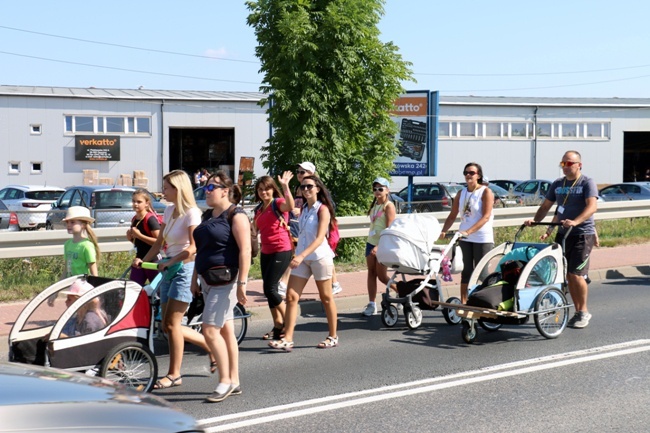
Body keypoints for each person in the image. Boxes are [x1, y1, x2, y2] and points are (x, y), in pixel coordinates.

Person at [132, 169, 215, 390]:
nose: (163, 191)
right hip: (168, 268)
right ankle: (211, 347)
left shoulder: (192, 214)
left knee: (172, 323)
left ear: (178, 189)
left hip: (184, 269)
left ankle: (174, 374)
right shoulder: (169, 211)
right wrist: (142, 259)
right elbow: (159, 244)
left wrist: (170, 261)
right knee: (169, 327)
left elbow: (193, 247)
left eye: (166, 188)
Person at [192, 170, 250, 403]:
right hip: (207, 279)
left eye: (211, 188)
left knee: (209, 330)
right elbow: (200, 250)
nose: (206, 191)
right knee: (225, 331)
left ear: (225, 191)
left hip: (226, 280)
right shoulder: (207, 216)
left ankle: (224, 380)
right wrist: (195, 277)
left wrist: (242, 284)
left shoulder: (236, 215)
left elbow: (245, 250)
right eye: (205, 188)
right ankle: (234, 380)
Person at [525, 150, 598, 329]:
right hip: (562, 233)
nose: (565, 166)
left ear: (579, 165)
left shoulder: (587, 182)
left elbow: (592, 207)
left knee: (575, 274)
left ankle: (583, 312)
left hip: (582, 234)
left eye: (569, 163)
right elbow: (547, 207)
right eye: (563, 163)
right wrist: (536, 222)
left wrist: (575, 222)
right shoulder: (558, 184)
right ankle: (577, 310)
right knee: (566, 275)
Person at [269, 175, 338, 351]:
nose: (305, 189)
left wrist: (300, 256)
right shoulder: (304, 209)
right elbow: (303, 233)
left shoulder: (322, 210)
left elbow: (320, 238)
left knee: (326, 298)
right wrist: (285, 186)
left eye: (309, 186)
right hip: (302, 257)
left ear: (318, 189)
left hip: (319, 257)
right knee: (292, 297)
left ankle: (333, 336)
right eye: (303, 187)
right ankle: (288, 338)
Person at [440, 162, 495, 304]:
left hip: (482, 238)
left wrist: (468, 231)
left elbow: (486, 217)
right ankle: (464, 303)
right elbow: (453, 215)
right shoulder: (461, 193)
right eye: (466, 173)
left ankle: (487, 302)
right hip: (464, 238)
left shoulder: (485, 192)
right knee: (466, 272)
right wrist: (444, 231)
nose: (468, 175)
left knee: (482, 273)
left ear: (479, 175)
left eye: (472, 173)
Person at [286, 161, 343, 295]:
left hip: (316, 236)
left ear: (311, 174)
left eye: (303, 172)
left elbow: (328, 208)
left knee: (326, 297)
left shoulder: (318, 193)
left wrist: (306, 212)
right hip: (301, 229)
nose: (299, 175)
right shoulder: (299, 190)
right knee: (292, 296)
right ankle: (335, 283)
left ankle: (334, 284)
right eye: (298, 172)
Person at [252, 172, 295, 341]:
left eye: (267, 189)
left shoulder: (277, 203)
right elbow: (253, 230)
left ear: (273, 190)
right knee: (269, 290)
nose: (264, 192)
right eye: (261, 189)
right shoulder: (259, 209)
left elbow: (290, 206)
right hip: (266, 251)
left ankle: (287, 321)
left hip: (281, 249)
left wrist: (285, 186)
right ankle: (278, 324)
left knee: (270, 288)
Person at [362, 177, 396, 317]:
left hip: (382, 243)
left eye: (380, 189)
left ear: (387, 190)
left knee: (382, 276)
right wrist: (373, 244)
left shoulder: (389, 206)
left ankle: (402, 292)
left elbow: (389, 228)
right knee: (371, 273)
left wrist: (378, 245)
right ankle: (371, 304)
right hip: (371, 242)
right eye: (375, 189)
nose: (377, 191)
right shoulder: (375, 205)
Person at [126, 189, 161, 286]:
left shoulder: (150, 219)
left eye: (139, 202)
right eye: (133, 201)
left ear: (147, 203)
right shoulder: (135, 219)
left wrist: (139, 236)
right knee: (133, 289)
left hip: (153, 261)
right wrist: (131, 238)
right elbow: (139, 243)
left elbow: (159, 242)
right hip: (139, 260)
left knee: (156, 290)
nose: (135, 204)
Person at [62, 206, 99, 279]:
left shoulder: (87, 245)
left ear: (83, 225)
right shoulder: (67, 244)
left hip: (83, 284)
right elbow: (66, 268)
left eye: (72, 222)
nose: (68, 225)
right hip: (70, 283)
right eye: (67, 222)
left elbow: (93, 272)